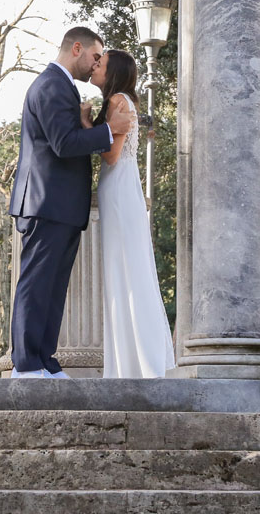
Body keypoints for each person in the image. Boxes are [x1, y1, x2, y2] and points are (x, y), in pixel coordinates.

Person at [8, 27, 136, 378]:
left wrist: (86, 126)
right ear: (76, 48)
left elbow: (67, 139)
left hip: (61, 205)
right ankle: (26, 364)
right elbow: (63, 143)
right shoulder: (51, 85)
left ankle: (45, 361)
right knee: (36, 284)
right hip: (44, 201)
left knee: (53, 287)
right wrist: (110, 130)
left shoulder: (63, 87)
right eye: (96, 56)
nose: (96, 64)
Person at [82, 49, 176, 379]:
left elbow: (110, 156)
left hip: (118, 188)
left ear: (113, 73)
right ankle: (137, 361)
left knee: (123, 270)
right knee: (130, 268)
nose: (94, 67)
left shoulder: (116, 102)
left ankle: (132, 365)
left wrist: (83, 122)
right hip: (127, 188)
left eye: (101, 64)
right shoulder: (128, 99)